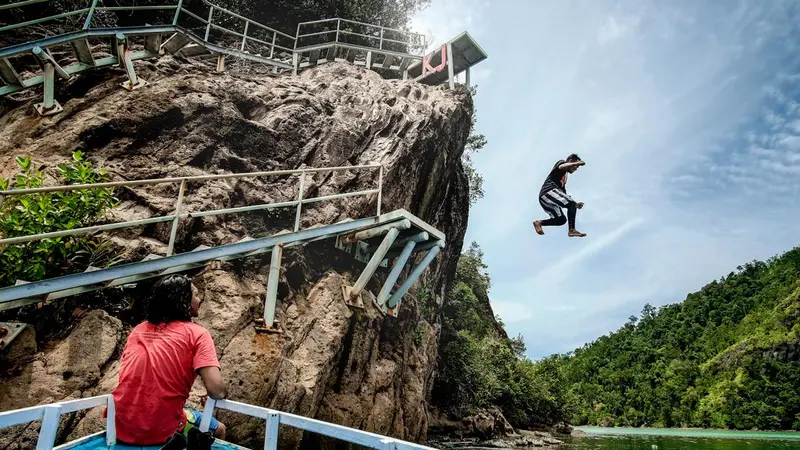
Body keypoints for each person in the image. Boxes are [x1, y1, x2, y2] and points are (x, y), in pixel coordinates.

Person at [110, 274, 228, 446]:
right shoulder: (197, 334)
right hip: (161, 430)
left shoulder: (139, 330)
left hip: (120, 425)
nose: (200, 299)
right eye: (195, 294)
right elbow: (216, 390)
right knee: (219, 429)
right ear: (183, 301)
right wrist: (224, 392)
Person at [533, 154, 587, 237]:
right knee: (571, 204)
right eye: (575, 167)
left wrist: (575, 204)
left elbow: (563, 195)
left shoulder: (564, 178)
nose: (575, 169)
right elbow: (561, 167)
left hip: (546, 199)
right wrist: (577, 163)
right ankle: (572, 230)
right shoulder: (562, 163)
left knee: (561, 220)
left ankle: (539, 223)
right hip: (548, 191)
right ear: (571, 161)